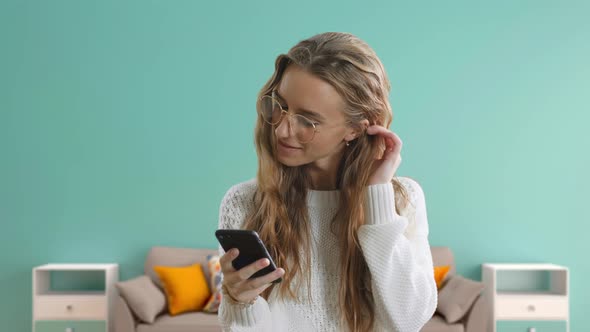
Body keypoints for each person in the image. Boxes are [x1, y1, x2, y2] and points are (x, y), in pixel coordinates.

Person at [216, 32, 437, 332]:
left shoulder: (401, 199)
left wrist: (376, 197)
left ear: (356, 129)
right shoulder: (245, 201)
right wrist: (240, 302)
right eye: (279, 106)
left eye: (307, 120)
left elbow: (408, 321)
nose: (281, 131)